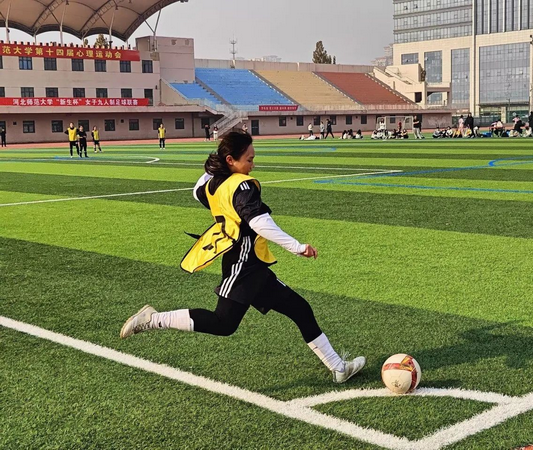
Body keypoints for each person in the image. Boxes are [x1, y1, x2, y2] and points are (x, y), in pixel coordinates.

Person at [120, 132, 366, 384]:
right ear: (231, 160)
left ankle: (338, 367)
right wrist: (297, 247)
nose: (253, 165)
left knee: (299, 308)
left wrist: (215, 167)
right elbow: (259, 222)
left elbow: (197, 190)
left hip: (251, 264)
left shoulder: (214, 185)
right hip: (243, 263)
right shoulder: (242, 186)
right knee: (223, 323)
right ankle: (153, 319)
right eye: (249, 159)